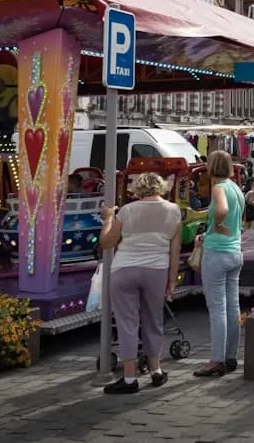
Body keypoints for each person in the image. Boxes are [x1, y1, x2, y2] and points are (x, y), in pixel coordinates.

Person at [99, 172, 182, 394]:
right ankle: (156, 370)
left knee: (127, 323)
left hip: (125, 268)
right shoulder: (174, 211)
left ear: (138, 188)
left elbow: (107, 242)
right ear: (161, 186)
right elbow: (175, 250)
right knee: (153, 320)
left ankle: (129, 378)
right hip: (157, 269)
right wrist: (172, 281)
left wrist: (107, 218)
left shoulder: (127, 211)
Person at [194, 150, 246, 377]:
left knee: (217, 309)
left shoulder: (218, 188)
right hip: (235, 251)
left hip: (217, 253)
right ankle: (231, 356)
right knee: (233, 307)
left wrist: (215, 226)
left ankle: (216, 360)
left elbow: (222, 210)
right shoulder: (236, 189)